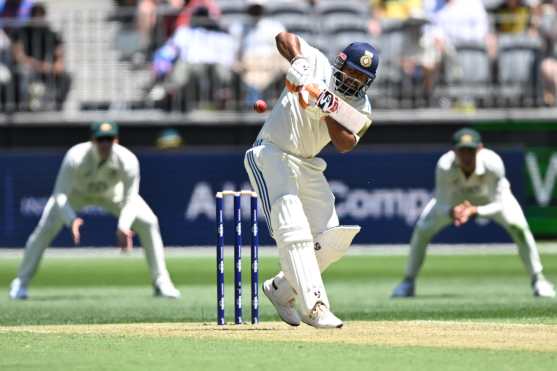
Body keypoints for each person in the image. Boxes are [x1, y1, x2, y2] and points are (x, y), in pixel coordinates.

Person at [244, 31, 379, 328]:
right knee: (292, 227)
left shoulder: (361, 106)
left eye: (362, 77)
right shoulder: (317, 62)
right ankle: (315, 306)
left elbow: (345, 144)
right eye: (352, 72)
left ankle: (280, 290)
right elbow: (283, 37)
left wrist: (327, 109)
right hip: (271, 153)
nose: (355, 80)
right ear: (340, 65)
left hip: (307, 164)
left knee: (332, 239)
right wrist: (299, 61)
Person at [9, 121, 181, 300]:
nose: (105, 144)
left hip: (112, 195)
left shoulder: (128, 160)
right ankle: (20, 282)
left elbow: (130, 198)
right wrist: (71, 219)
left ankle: (161, 282)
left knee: (148, 222)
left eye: (109, 139)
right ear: (92, 140)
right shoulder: (75, 156)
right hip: (75, 196)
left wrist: (123, 226)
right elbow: (59, 194)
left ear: (116, 141)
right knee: (44, 229)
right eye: (100, 139)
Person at [392, 128, 555, 298]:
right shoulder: (444, 165)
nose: (466, 156)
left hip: (489, 200)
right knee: (422, 229)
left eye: (470, 150)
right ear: (454, 151)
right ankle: (408, 282)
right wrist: (451, 212)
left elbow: (500, 204)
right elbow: (441, 203)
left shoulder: (493, 163)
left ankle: (539, 280)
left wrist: (475, 211)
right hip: (455, 201)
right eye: (462, 151)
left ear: (480, 149)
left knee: (519, 227)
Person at [10, 3, 71, 110]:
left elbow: (59, 56)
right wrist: (40, 66)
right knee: (23, 73)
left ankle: (58, 107)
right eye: (35, 16)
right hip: (27, 69)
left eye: (40, 16)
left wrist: (57, 65)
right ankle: (22, 109)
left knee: (66, 77)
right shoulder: (20, 32)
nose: (38, 19)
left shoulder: (51, 33)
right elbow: (19, 57)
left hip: (46, 70)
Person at [229, 0, 287, 106]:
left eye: (258, 8)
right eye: (253, 8)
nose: (255, 12)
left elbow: (282, 51)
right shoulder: (238, 28)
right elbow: (235, 53)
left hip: (270, 65)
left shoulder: (275, 27)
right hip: (249, 67)